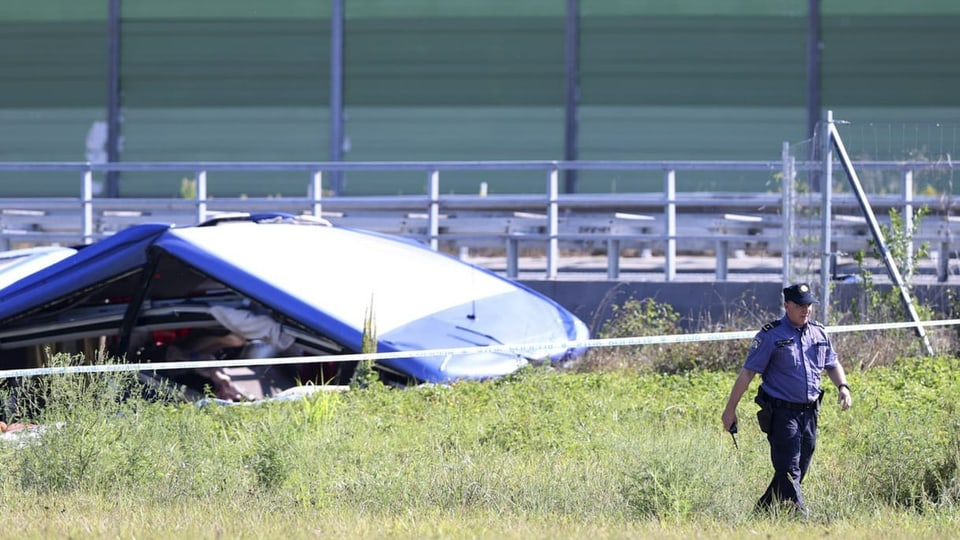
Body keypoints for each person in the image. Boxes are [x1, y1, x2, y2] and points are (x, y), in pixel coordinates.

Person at [721, 283, 853, 516]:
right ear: (786, 306)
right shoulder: (771, 335)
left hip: (810, 412)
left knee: (798, 469)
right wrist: (730, 410)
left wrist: (843, 386)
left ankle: (761, 513)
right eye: (800, 305)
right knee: (789, 468)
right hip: (782, 413)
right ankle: (801, 518)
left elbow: (832, 364)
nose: (806, 310)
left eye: (809, 305)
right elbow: (748, 373)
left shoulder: (819, 333)